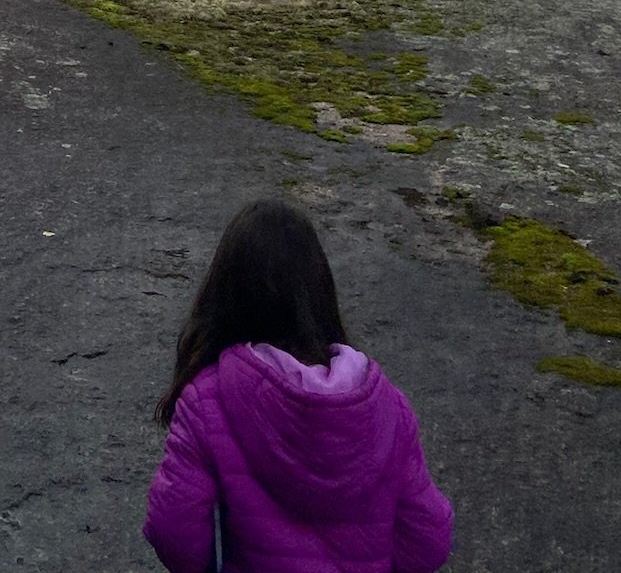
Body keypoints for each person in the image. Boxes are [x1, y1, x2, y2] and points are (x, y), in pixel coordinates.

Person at [143, 198, 453, 573]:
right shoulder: (386, 405)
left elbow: (172, 528)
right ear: (320, 290)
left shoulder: (208, 400)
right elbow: (428, 536)